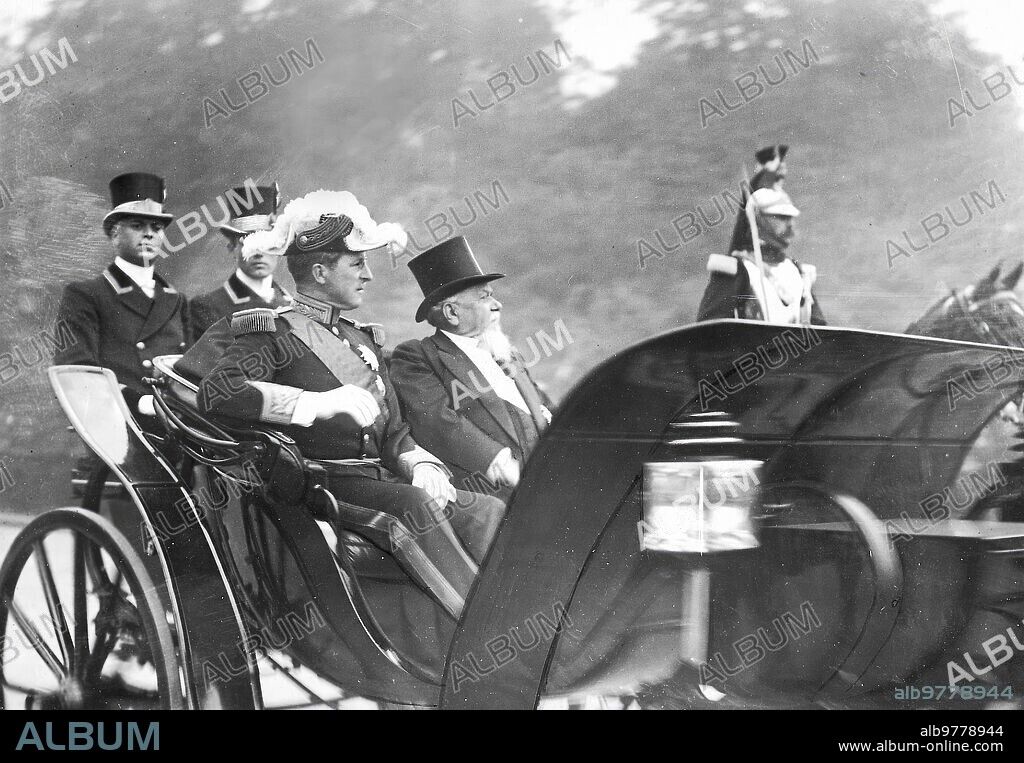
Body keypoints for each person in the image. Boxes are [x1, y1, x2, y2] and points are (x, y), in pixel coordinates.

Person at [196, 191, 504, 616]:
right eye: (358, 264)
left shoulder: (362, 339)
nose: (369, 275)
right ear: (320, 272)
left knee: (486, 510)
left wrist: (420, 463)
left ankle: (512, 610)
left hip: (379, 480)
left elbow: (393, 433)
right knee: (414, 505)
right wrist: (314, 403)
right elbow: (216, 392)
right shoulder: (273, 333)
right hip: (319, 485)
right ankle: (482, 625)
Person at [391, 236, 552, 502]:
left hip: (552, 474)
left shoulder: (507, 354)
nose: (497, 304)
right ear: (452, 313)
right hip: (493, 492)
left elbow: (546, 407)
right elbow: (435, 422)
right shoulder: (418, 356)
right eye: (485, 297)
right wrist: (500, 463)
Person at [54, 172, 189, 414]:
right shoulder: (85, 295)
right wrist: (143, 404)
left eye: (157, 227)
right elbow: (76, 375)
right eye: (137, 226)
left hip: (181, 423)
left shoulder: (177, 300)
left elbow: (195, 371)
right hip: (122, 425)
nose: (149, 234)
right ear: (115, 234)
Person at [697, 147, 825, 325]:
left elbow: (821, 332)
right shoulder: (737, 270)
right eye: (780, 217)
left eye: (790, 217)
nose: (789, 224)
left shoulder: (798, 271)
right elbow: (710, 330)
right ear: (759, 220)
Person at [189, 182, 293, 341]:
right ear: (232, 247)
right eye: (247, 240)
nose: (258, 253)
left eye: (266, 240)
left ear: (279, 246)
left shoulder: (292, 304)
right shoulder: (208, 307)